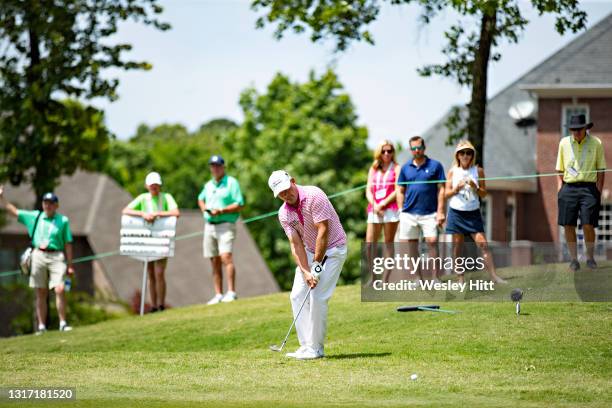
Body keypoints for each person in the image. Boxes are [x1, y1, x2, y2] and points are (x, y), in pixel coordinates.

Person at [268, 170, 347, 360]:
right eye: (282, 193)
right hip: (310, 251)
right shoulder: (284, 214)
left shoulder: (314, 195)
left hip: (334, 249)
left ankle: (316, 349)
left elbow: (323, 231)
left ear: (293, 181)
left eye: (287, 189)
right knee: (297, 295)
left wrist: (316, 268)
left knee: (318, 297)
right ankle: (306, 346)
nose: (287, 194)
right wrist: (305, 271)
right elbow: (295, 244)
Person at [0, 187, 74, 333]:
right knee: (40, 291)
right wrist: (2, 198)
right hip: (38, 254)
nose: (48, 205)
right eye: (46, 203)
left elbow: (68, 243)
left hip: (56, 255)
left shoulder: (63, 221)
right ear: (42, 204)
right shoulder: (35, 217)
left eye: (51, 203)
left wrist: (70, 265)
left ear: (56, 205)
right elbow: (13, 211)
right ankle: (41, 326)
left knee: (59, 288)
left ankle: (63, 323)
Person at [444, 140, 506, 284]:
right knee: (457, 247)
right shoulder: (452, 171)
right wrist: (456, 189)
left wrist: (475, 187)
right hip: (456, 213)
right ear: (457, 155)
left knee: (483, 244)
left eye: (469, 153)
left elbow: (484, 194)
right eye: (462, 153)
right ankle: (460, 279)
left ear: (472, 155)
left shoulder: (478, 170)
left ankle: (494, 276)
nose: (465, 156)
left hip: (473, 214)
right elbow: (446, 194)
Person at [122, 172, 180, 312]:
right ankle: (153, 305)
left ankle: (161, 304)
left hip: (161, 239)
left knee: (160, 272)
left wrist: (158, 214)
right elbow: (126, 210)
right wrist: (143, 214)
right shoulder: (142, 198)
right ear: (147, 185)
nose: (154, 187)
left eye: (156, 185)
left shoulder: (166, 197)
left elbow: (176, 212)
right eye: (152, 185)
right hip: (146, 240)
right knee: (150, 274)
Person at [556, 114, 606, 271]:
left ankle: (590, 258)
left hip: (589, 189)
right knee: (568, 225)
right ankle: (573, 260)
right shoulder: (563, 143)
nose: (576, 132)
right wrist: (560, 189)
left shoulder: (596, 143)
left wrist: (598, 190)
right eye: (573, 129)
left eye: (579, 129)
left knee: (588, 224)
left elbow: (601, 170)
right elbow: (559, 169)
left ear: (586, 128)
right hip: (568, 188)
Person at [396, 136, 446, 281]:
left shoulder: (435, 166)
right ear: (411, 149)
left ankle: (435, 278)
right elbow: (400, 190)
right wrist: (400, 210)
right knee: (412, 247)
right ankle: (417, 278)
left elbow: (442, 189)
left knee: (432, 242)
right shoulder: (405, 168)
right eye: (413, 148)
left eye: (419, 147)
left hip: (430, 213)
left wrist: (441, 211)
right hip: (409, 213)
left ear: (424, 148)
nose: (416, 151)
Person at [198, 155, 244, 304]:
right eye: (213, 166)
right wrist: (204, 209)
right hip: (209, 226)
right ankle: (218, 294)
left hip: (226, 224)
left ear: (223, 167)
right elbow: (200, 198)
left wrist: (222, 210)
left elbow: (239, 204)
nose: (215, 168)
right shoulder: (208, 185)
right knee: (214, 261)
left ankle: (231, 292)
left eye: (218, 166)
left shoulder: (232, 183)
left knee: (226, 257)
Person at [365, 140, 401, 282]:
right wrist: (375, 205)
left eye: (389, 151)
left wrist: (383, 204)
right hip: (374, 209)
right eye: (384, 151)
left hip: (390, 210)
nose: (387, 153)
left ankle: (385, 279)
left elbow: (398, 189)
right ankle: (373, 277)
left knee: (388, 243)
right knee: (369, 244)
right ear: (379, 153)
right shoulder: (373, 169)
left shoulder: (397, 167)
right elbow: (368, 189)